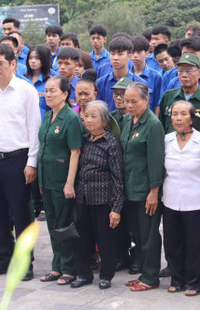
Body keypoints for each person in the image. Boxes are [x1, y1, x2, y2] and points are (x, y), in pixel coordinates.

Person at [0, 43, 41, 280]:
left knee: (21, 212)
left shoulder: (26, 91)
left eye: (0, 63)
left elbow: (34, 128)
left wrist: (32, 161)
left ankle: (24, 262)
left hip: (18, 159)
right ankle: (2, 257)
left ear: (13, 64)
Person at [72, 100, 125, 290]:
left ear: (104, 121)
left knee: (105, 239)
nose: (88, 120)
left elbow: (118, 178)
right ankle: (83, 274)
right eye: (86, 116)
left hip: (103, 200)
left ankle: (106, 275)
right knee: (81, 238)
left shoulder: (111, 144)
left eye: (94, 116)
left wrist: (116, 209)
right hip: (82, 198)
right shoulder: (84, 140)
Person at [162, 101, 200, 296]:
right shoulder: (166, 140)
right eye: (175, 114)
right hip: (171, 199)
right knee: (173, 242)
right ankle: (177, 278)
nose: (178, 118)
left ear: (192, 119)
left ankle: (195, 281)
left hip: (198, 200)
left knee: (196, 244)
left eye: (183, 114)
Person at [119, 82, 165, 292]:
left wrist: (154, 192)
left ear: (146, 100)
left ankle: (151, 276)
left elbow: (156, 161)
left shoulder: (153, 124)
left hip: (146, 190)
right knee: (137, 235)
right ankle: (143, 273)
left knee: (149, 235)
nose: (129, 105)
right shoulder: (128, 120)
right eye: (126, 101)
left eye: (133, 101)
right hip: (129, 188)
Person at [36, 76, 82, 285]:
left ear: (65, 94)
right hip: (46, 179)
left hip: (62, 180)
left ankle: (69, 268)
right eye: (46, 90)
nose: (48, 94)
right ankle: (57, 266)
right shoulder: (48, 116)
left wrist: (70, 182)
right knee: (53, 224)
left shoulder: (70, 118)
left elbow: (75, 151)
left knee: (64, 225)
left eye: (53, 91)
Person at [157, 53, 200, 135]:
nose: (184, 75)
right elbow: (161, 127)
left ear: (199, 73)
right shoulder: (168, 96)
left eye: (189, 71)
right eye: (180, 71)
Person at [97, 37, 146, 112]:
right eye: (112, 54)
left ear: (129, 57)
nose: (115, 58)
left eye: (120, 54)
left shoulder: (139, 83)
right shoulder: (101, 83)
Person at [25, 45, 55, 115]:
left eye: (37, 58)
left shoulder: (51, 81)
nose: (33, 61)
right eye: (30, 58)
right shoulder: (23, 80)